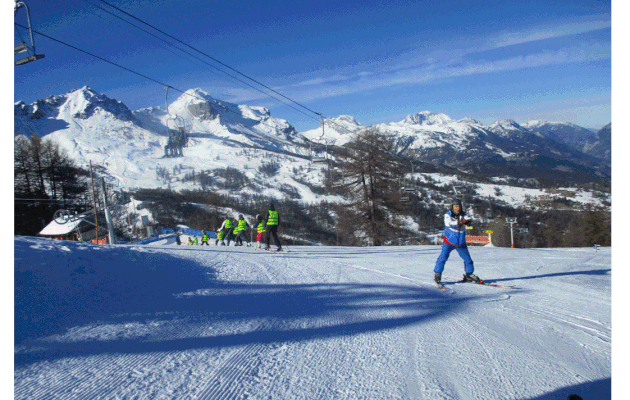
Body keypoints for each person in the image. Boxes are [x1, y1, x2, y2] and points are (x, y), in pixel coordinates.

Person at [433, 198, 479, 285]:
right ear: (452, 207)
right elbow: (449, 223)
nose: (457, 208)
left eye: (459, 206)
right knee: (442, 258)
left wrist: (469, 223)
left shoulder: (463, 214)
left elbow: (469, 220)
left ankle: (469, 274)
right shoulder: (448, 214)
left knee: (468, 260)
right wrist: (459, 223)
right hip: (449, 242)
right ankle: (437, 274)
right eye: (455, 206)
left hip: (461, 243)